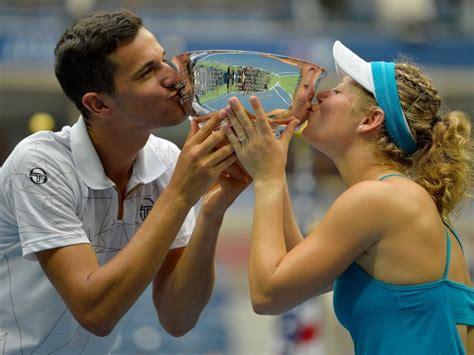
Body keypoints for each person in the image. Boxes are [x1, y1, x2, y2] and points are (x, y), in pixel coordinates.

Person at [0, 9, 250, 354]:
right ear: (99, 104)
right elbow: (96, 313)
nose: (173, 76)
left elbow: (178, 319)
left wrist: (211, 210)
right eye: (148, 71)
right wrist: (180, 194)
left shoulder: (165, 160)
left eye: (163, 60)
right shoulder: (39, 164)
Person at [223, 40, 473, 354]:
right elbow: (298, 270)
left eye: (338, 91)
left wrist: (268, 177)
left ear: (371, 120)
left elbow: (267, 294)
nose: (322, 94)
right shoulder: (397, 197)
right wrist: (275, 158)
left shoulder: (378, 199)